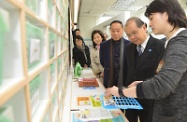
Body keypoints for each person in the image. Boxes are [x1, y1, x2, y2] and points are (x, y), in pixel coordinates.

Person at [105, 0, 187, 122]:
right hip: (159, 106)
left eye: (152, 18)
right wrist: (142, 83)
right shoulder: (171, 43)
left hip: (172, 113)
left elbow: (163, 84)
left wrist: (121, 92)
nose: (150, 23)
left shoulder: (180, 43)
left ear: (166, 14)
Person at [124, 17, 165, 122]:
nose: (132, 37)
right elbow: (127, 71)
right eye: (128, 35)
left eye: (134, 32)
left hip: (150, 98)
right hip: (131, 97)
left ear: (143, 27)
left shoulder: (159, 46)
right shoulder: (129, 48)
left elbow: (162, 75)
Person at [100, 20, 130, 88]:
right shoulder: (104, 45)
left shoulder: (129, 44)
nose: (115, 33)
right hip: (109, 78)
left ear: (123, 30)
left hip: (124, 78)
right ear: (110, 31)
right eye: (113, 31)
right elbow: (102, 61)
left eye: (118, 30)